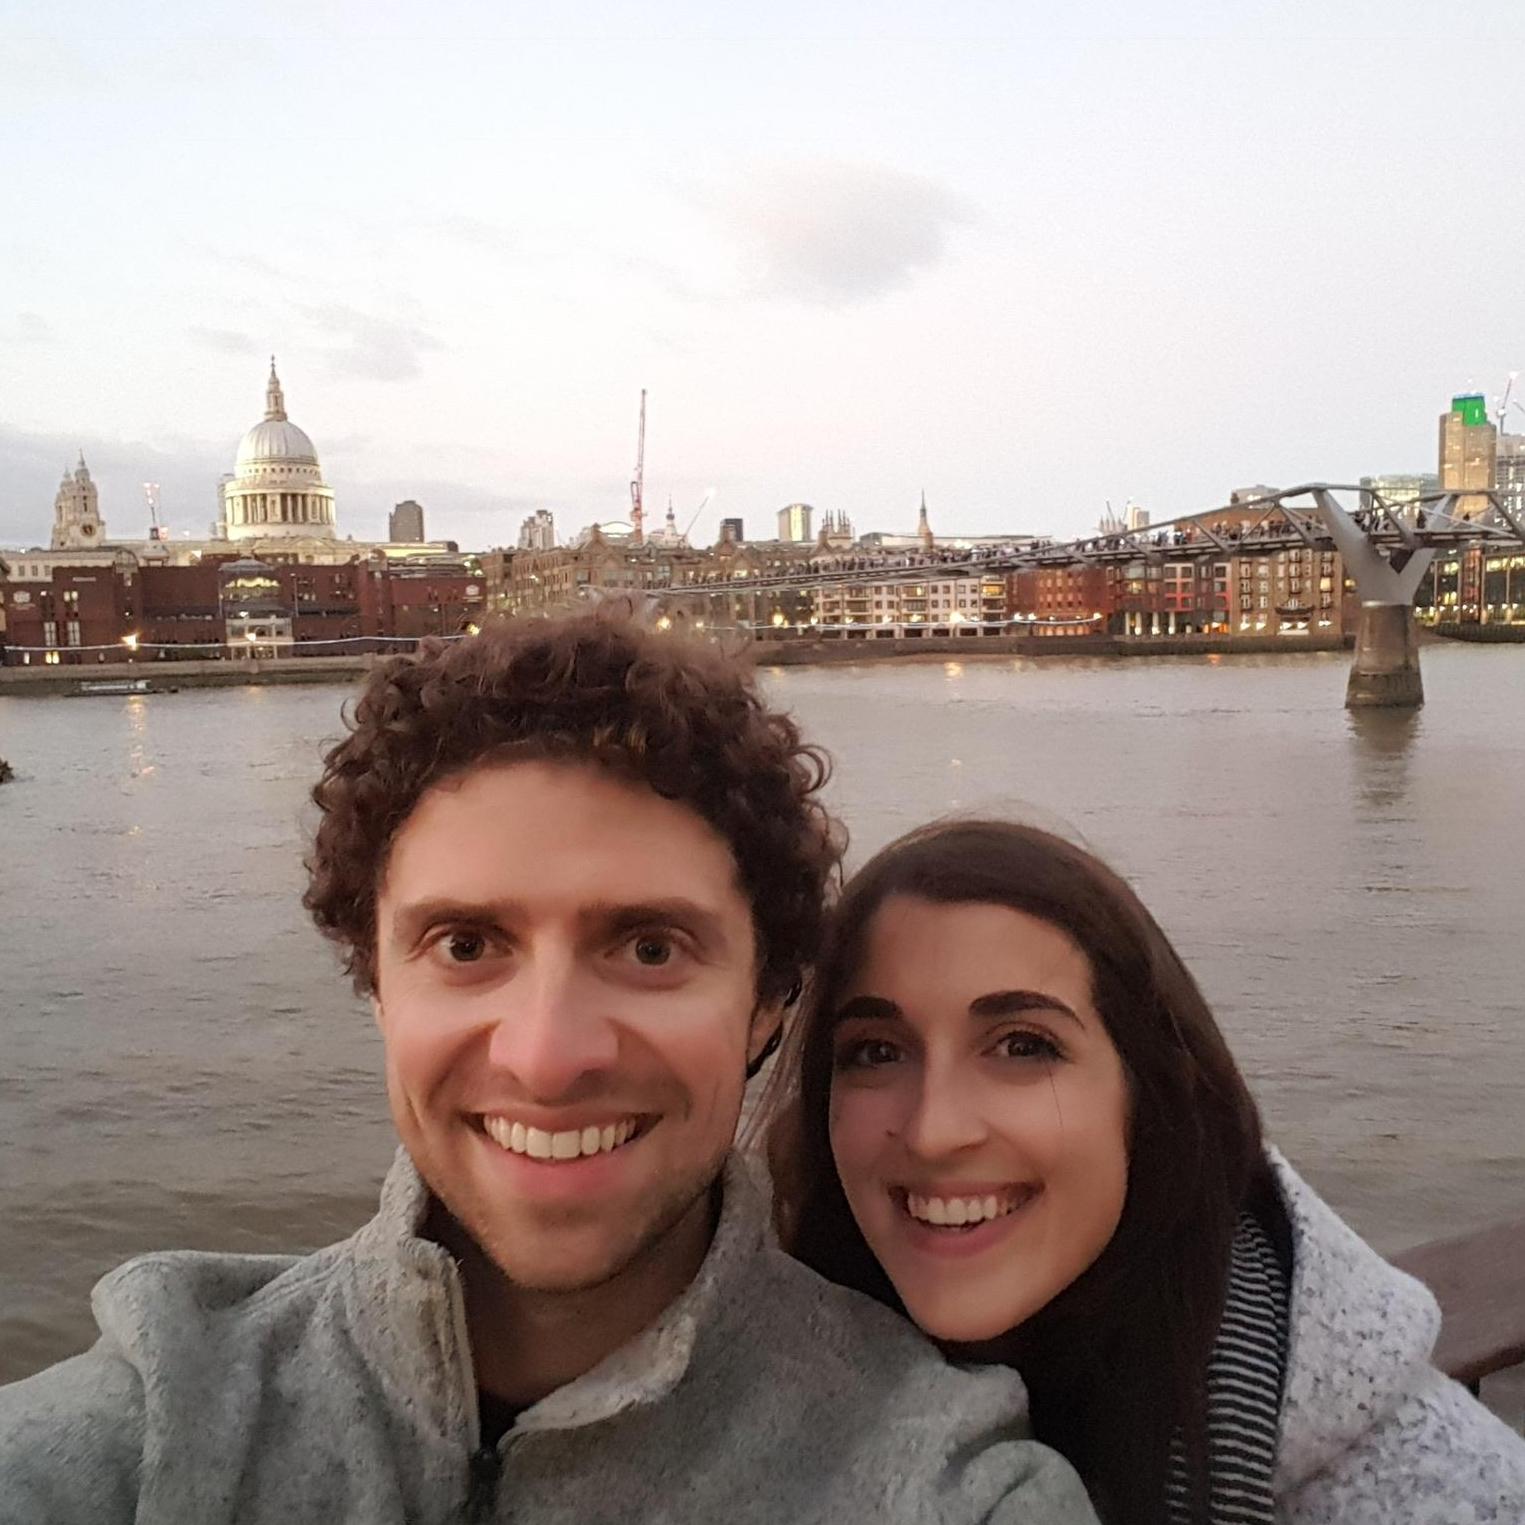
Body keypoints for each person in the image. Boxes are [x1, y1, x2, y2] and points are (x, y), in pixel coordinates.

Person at [0, 612, 1097, 1525]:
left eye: (650, 948)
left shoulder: (946, 1478)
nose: (548, 1055)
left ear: (767, 1000)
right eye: (466, 945)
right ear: (378, 986)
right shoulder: (167, 1404)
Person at [768, 819, 1525, 1525]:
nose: (933, 1130)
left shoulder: (1440, 1494)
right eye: (876, 1051)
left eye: (1023, 1045)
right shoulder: (768, 1392)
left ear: (1152, 1093)